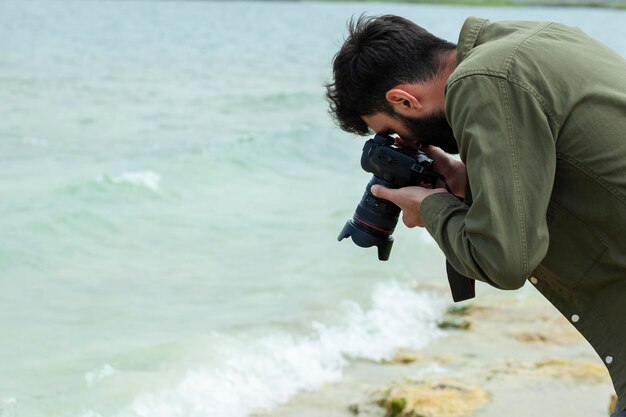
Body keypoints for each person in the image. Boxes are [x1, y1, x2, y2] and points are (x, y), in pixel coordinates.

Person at [326, 15, 626, 415]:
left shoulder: (482, 81)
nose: (409, 144)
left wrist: (431, 209)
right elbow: (582, 165)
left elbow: (503, 260)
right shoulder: (534, 39)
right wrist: (469, 183)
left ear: (404, 100)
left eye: (394, 131)